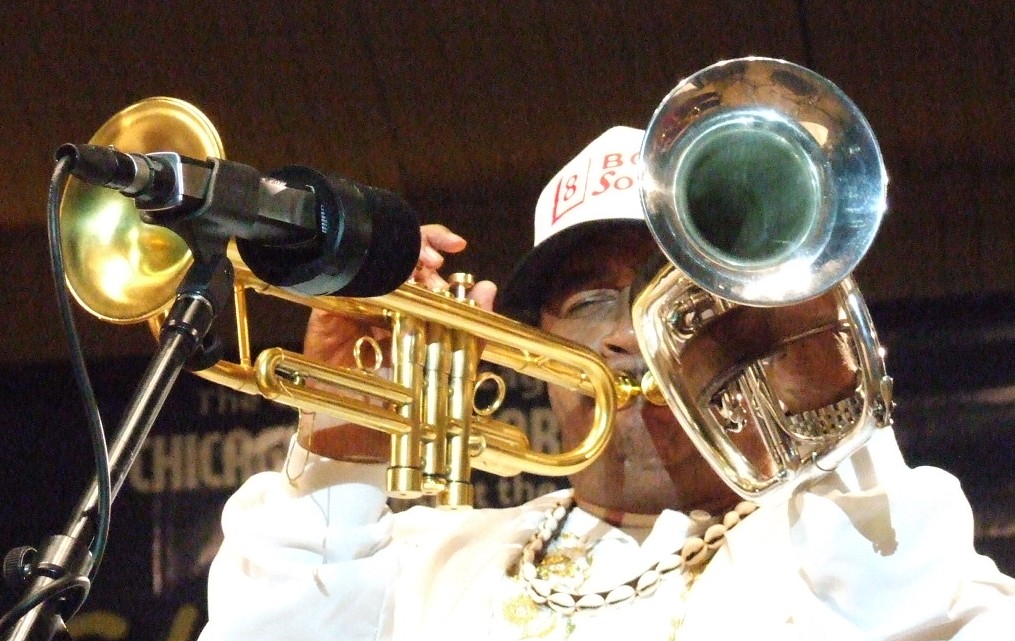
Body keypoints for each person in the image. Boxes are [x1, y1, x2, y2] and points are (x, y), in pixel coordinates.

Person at [198, 127, 1015, 640]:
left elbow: (904, 604)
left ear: (750, 328)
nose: (627, 333)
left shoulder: (825, 546)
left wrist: (828, 418)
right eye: (590, 299)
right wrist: (341, 450)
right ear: (530, 341)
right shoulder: (421, 562)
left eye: (680, 298)